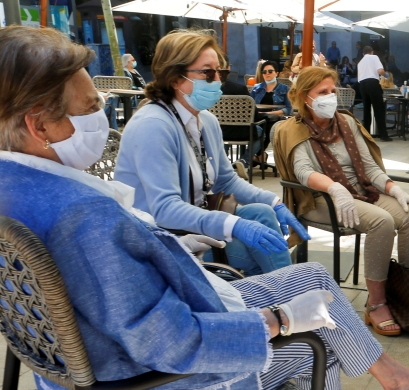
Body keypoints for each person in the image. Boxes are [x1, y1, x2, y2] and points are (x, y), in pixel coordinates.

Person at [0, 25, 409, 390]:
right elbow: (168, 341)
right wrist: (279, 320)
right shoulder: (81, 215)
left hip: (91, 371)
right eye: (89, 106)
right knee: (316, 343)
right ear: (39, 124)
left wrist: (259, 218)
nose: (100, 113)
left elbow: (202, 204)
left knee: (313, 280)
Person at [116, 30, 305, 277]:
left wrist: (274, 201)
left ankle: (282, 296)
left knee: (263, 214)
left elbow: (226, 180)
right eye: (207, 73)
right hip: (161, 240)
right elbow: (164, 209)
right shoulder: (153, 125)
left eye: (221, 72)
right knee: (259, 251)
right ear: (174, 77)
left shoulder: (205, 120)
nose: (218, 80)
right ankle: (289, 296)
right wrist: (234, 224)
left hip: (195, 224)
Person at [272, 67, 409, 337]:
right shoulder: (293, 129)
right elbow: (302, 172)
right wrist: (334, 188)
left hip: (360, 190)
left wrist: (394, 188)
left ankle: (408, 297)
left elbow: (369, 168)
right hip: (320, 198)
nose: (330, 97)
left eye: (332, 91)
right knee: (382, 222)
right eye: (322, 92)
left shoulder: (346, 123)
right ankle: (377, 303)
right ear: (303, 97)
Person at [356, 46, 391, 142]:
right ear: (372, 52)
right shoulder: (374, 57)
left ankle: (366, 134)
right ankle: (383, 135)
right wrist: (386, 75)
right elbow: (380, 71)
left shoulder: (360, 62)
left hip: (362, 86)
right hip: (372, 84)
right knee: (379, 109)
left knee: (366, 110)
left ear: (363, 54)